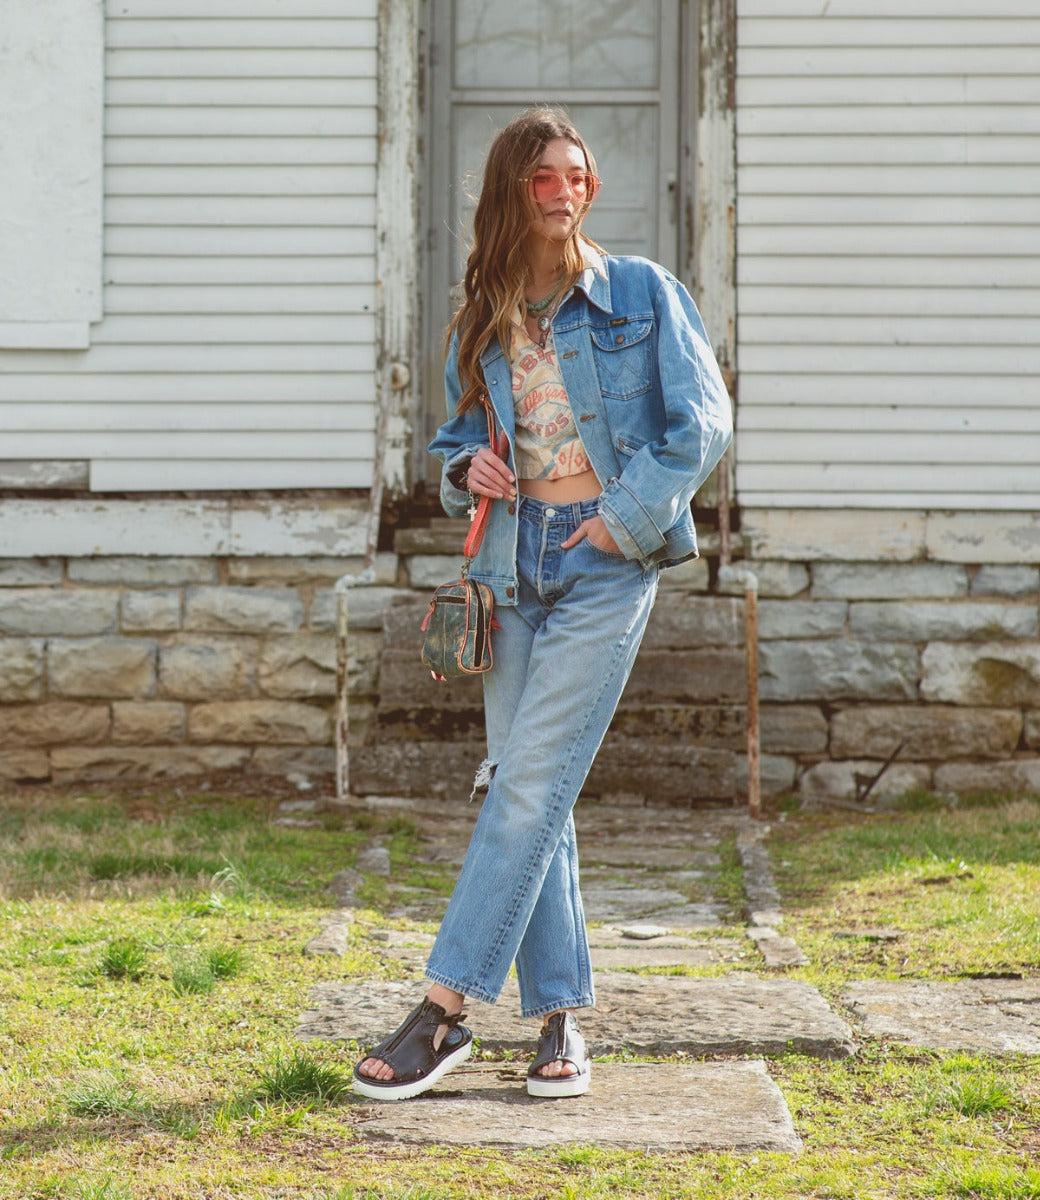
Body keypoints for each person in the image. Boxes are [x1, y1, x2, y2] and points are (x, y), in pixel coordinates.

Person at [353, 106, 732, 1102]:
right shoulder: (479, 313)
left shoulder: (642, 293)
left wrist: (622, 517)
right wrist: (461, 469)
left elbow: (702, 424)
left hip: (605, 565)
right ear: (509, 191)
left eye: (578, 177)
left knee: (524, 782)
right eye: (543, 180)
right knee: (533, 784)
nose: (565, 194)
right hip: (510, 572)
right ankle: (560, 1016)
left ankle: (441, 1011)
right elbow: (448, 448)